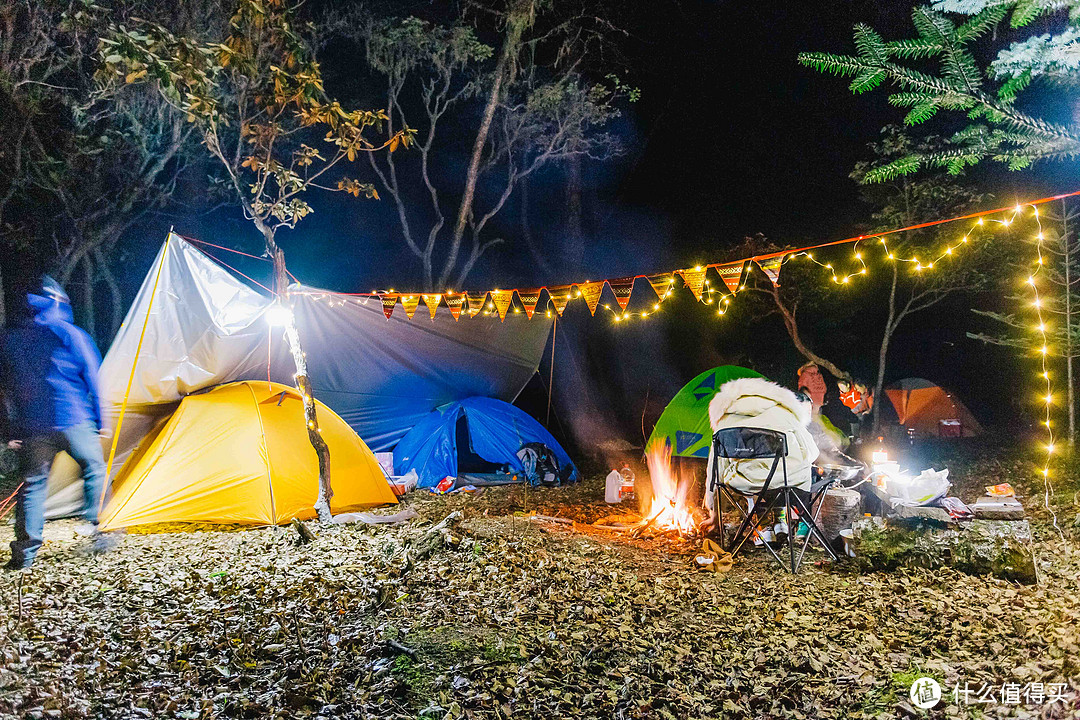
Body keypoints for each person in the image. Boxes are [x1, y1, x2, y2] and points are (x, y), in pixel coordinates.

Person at [0, 276, 108, 570]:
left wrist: (10, 429)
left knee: (33, 487)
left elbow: (6, 388)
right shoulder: (70, 333)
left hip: (34, 427)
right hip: (74, 418)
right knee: (94, 468)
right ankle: (102, 531)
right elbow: (94, 376)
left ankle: (24, 555)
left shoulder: (11, 339)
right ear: (59, 303)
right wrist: (100, 418)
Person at [701, 377, 819, 535]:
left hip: (745, 482)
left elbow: (715, 468)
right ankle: (780, 521)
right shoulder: (785, 412)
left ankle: (764, 526)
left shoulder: (724, 420)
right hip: (787, 482)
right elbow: (811, 451)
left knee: (750, 469)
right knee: (785, 469)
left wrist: (714, 514)